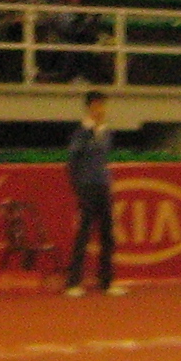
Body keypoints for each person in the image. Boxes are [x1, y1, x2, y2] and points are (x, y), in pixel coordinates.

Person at [63, 90, 125, 297]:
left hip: (103, 186)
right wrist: (78, 187)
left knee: (108, 234)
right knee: (83, 234)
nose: (101, 109)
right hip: (87, 188)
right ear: (89, 107)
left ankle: (106, 282)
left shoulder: (106, 132)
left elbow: (103, 159)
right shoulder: (80, 133)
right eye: (98, 105)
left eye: (103, 105)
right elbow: (72, 162)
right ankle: (73, 283)